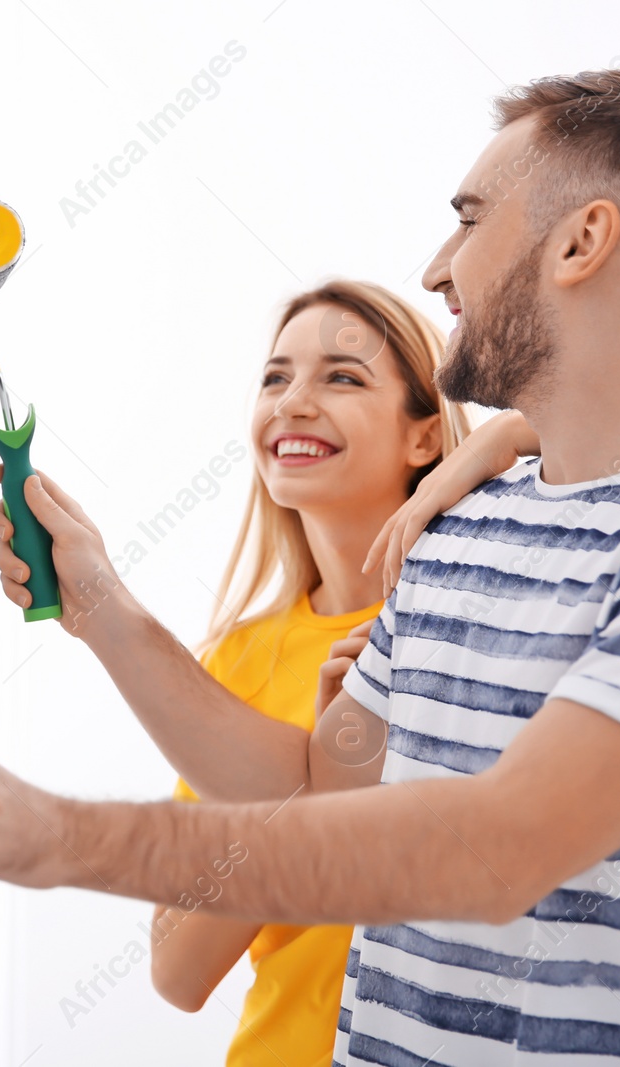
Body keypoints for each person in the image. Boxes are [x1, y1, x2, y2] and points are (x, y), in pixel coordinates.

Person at [0, 68, 620, 1066]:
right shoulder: (461, 526)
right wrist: (102, 605)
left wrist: (61, 837)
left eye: (468, 219)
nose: (436, 268)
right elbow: (319, 780)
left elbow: (492, 852)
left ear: (580, 241)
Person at [148, 280, 470, 1066]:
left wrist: (515, 435)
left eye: (342, 375)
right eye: (275, 376)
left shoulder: (479, 625)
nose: (292, 402)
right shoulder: (238, 658)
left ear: (425, 436)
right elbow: (178, 970)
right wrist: (316, 787)